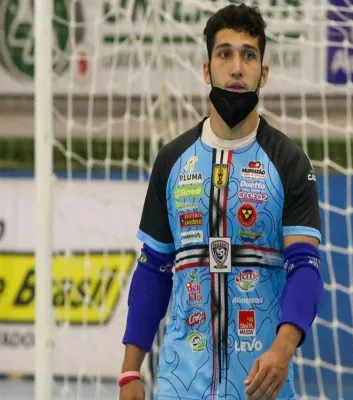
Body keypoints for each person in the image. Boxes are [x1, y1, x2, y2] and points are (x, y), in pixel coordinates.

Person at [118, 4, 324, 400]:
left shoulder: (290, 162)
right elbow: (153, 269)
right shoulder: (172, 160)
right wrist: (130, 371)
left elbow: (305, 269)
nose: (237, 67)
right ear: (206, 69)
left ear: (264, 72)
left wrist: (282, 350)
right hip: (179, 387)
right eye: (224, 54)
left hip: (260, 388)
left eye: (249, 55)